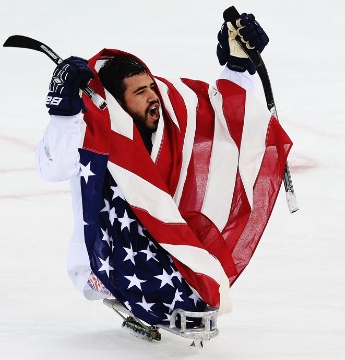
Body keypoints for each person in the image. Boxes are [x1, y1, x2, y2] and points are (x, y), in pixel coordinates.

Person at [35, 13, 291, 327]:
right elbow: (52, 166)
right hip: (101, 260)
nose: (154, 96)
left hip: (167, 246)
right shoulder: (91, 130)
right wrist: (63, 112)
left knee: (197, 288)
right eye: (140, 92)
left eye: (150, 87)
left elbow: (221, 120)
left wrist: (238, 68)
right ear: (118, 102)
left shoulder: (171, 116)